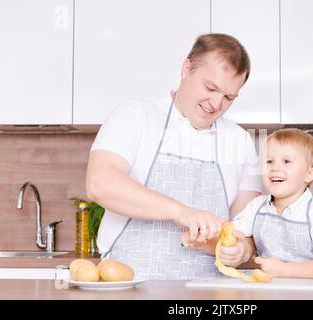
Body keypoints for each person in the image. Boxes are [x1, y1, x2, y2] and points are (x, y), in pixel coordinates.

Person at [86, 33, 262, 280]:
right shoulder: (136, 116)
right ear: (187, 68)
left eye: (228, 97)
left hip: (209, 292)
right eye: (210, 87)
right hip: (127, 286)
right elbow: (100, 184)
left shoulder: (241, 141)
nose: (216, 103)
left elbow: (247, 229)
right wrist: (181, 212)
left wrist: (240, 250)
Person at [187, 128, 313, 278]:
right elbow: (234, 234)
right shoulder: (256, 207)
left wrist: (284, 270)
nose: (275, 167)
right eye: (269, 161)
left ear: (309, 174)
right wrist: (211, 235)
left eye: (286, 161)